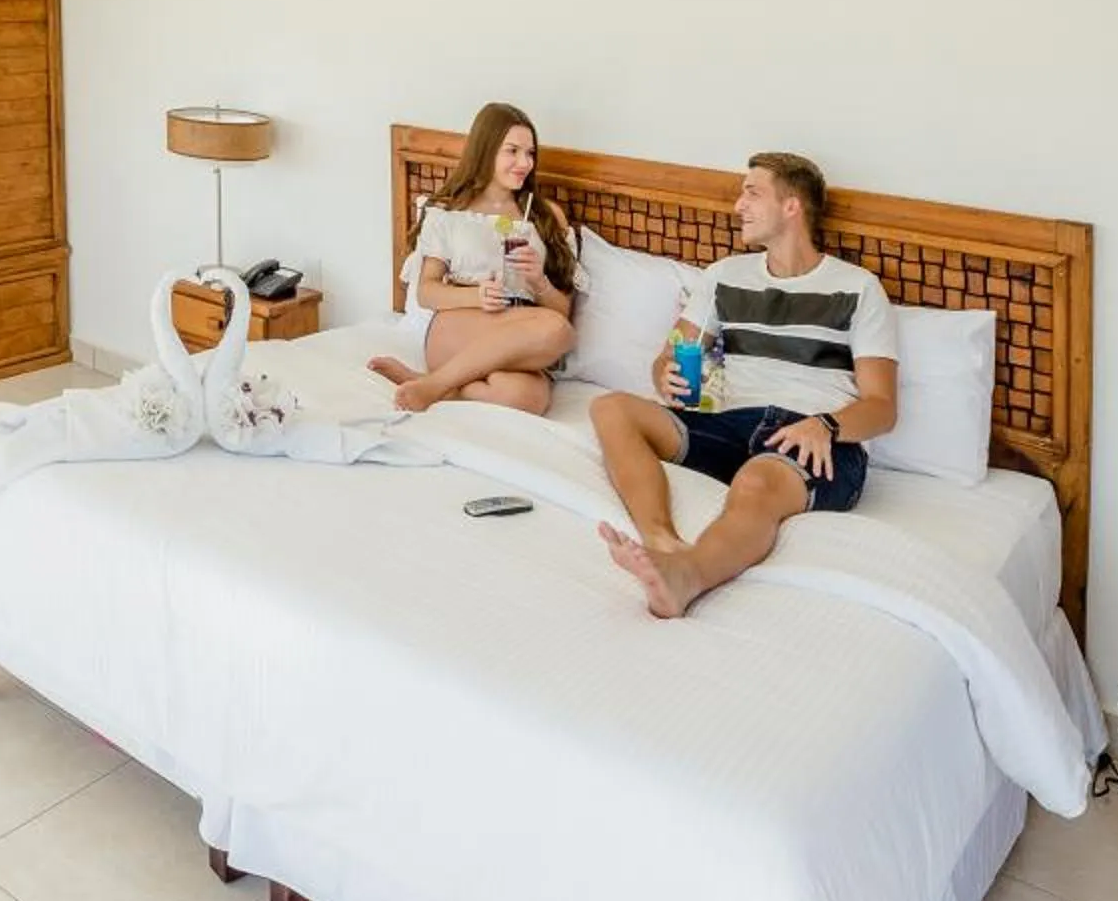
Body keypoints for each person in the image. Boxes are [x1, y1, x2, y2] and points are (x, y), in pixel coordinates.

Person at [589, 151, 898, 618]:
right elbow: (670, 356)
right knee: (610, 408)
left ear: (791, 206)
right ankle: (660, 538)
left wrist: (827, 426)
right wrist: (665, 375)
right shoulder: (723, 277)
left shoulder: (858, 288)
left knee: (756, 481)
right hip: (730, 423)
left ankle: (686, 576)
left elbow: (882, 406)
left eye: (752, 193)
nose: (738, 206)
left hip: (813, 436)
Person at [367, 102, 577, 414]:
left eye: (530, 153)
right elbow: (426, 292)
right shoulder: (450, 213)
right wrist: (476, 295)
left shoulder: (546, 216)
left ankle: (432, 384)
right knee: (556, 330)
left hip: (522, 333)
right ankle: (435, 385)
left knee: (530, 396)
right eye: (512, 151)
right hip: (459, 327)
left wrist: (539, 281)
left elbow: (563, 310)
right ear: (486, 149)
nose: (525, 163)